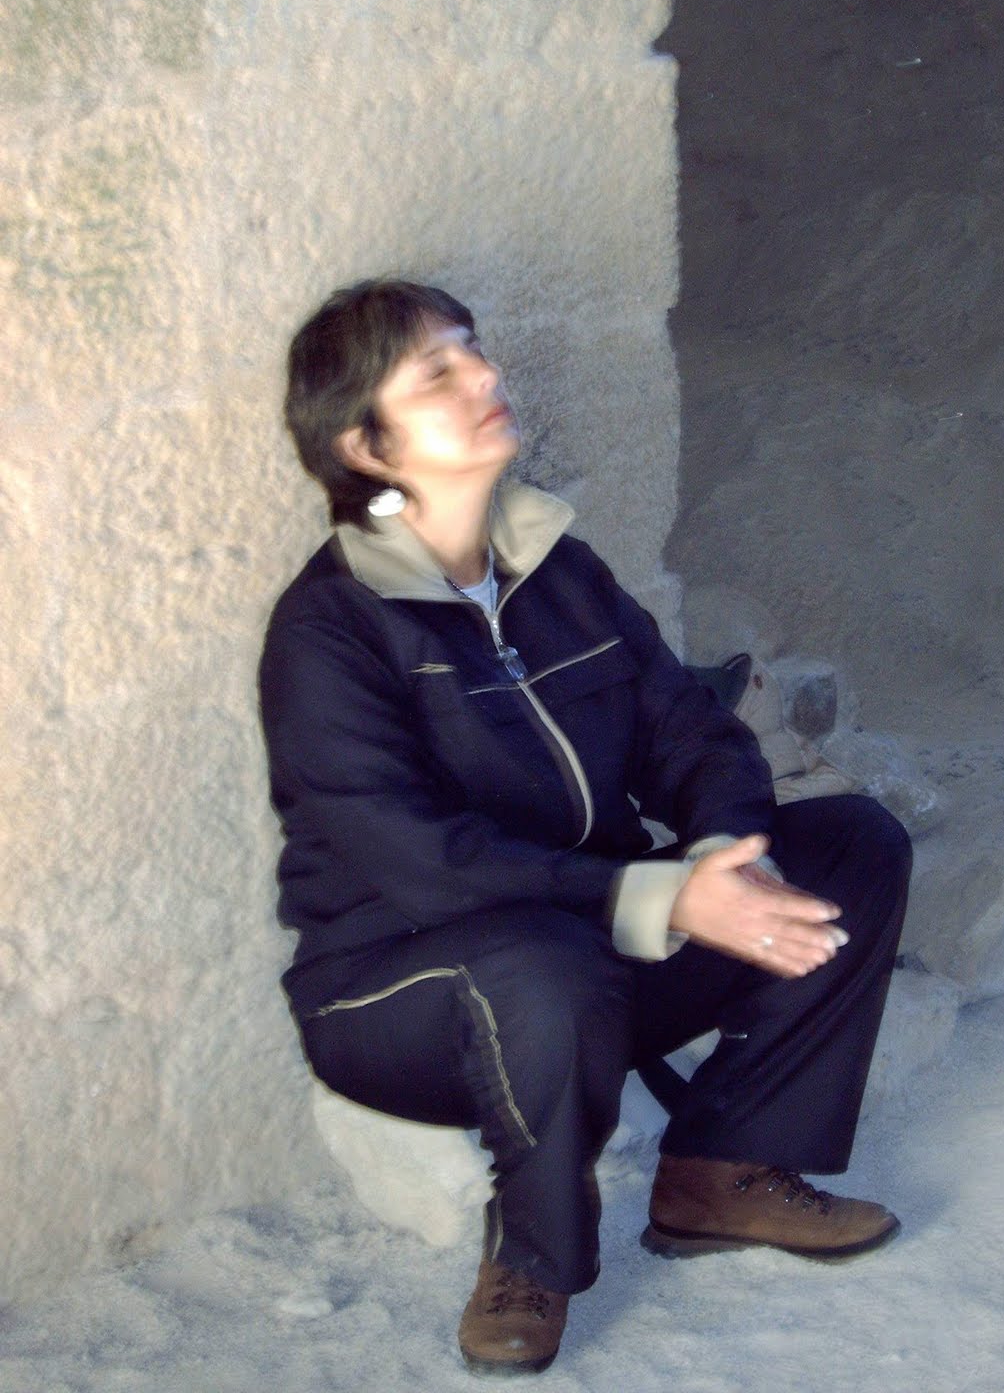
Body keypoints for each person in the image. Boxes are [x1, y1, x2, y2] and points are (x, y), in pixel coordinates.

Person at [259, 277, 912, 1376]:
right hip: (400, 994)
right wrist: (659, 898)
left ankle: (721, 1170)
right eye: (439, 374)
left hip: (594, 955)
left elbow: (687, 727)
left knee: (853, 847)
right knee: (540, 964)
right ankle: (532, 1255)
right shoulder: (329, 631)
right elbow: (420, 863)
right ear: (366, 446)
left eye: (475, 351)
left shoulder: (554, 566)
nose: (485, 376)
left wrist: (724, 857)